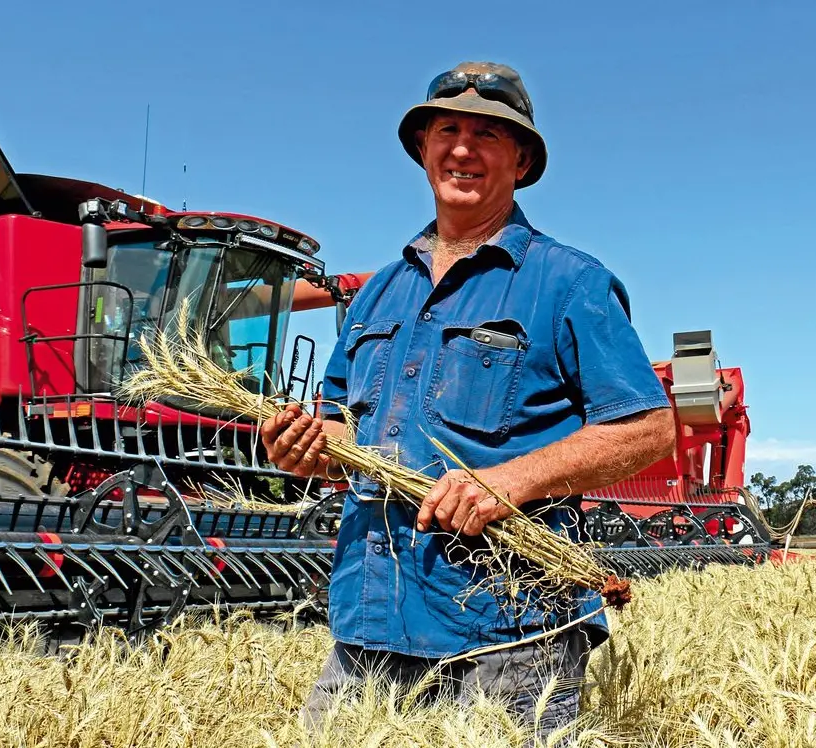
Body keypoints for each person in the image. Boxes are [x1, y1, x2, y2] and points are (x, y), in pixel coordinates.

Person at [259, 61, 676, 740]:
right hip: (370, 617)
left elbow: (647, 427)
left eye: (488, 134)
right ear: (422, 149)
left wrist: (505, 483)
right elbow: (342, 427)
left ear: (521, 161)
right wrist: (306, 448)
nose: (462, 147)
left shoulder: (569, 283)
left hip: (508, 628)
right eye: (447, 129)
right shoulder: (377, 294)